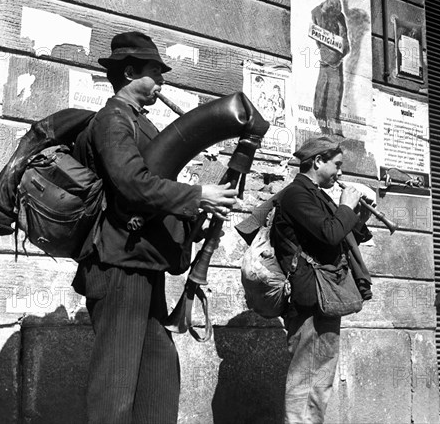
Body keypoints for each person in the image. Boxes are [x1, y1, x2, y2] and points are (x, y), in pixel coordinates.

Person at [72, 31, 237, 424]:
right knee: (115, 394)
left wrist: (196, 216)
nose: (162, 82)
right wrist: (198, 195)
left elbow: (155, 193)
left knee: (159, 380)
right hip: (117, 267)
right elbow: (132, 183)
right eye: (154, 73)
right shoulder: (112, 120)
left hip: (143, 265)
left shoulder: (137, 122)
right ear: (129, 72)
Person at [271, 136, 372, 423]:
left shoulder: (317, 195)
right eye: (337, 165)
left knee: (320, 381)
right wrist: (345, 205)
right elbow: (330, 232)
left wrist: (358, 215)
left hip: (326, 297)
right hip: (310, 298)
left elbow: (339, 237)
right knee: (306, 380)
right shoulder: (296, 194)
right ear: (317, 162)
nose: (340, 173)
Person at [311, 0, 350, 133]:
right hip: (324, 66)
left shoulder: (340, 19)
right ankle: (326, 138)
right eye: (332, 12)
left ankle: (335, 141)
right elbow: (316, 35)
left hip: (335, 68)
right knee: (318, 108)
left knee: (333, 113)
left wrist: (339, 46)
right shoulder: (317, 13)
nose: (334, 15)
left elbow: (346, 46)